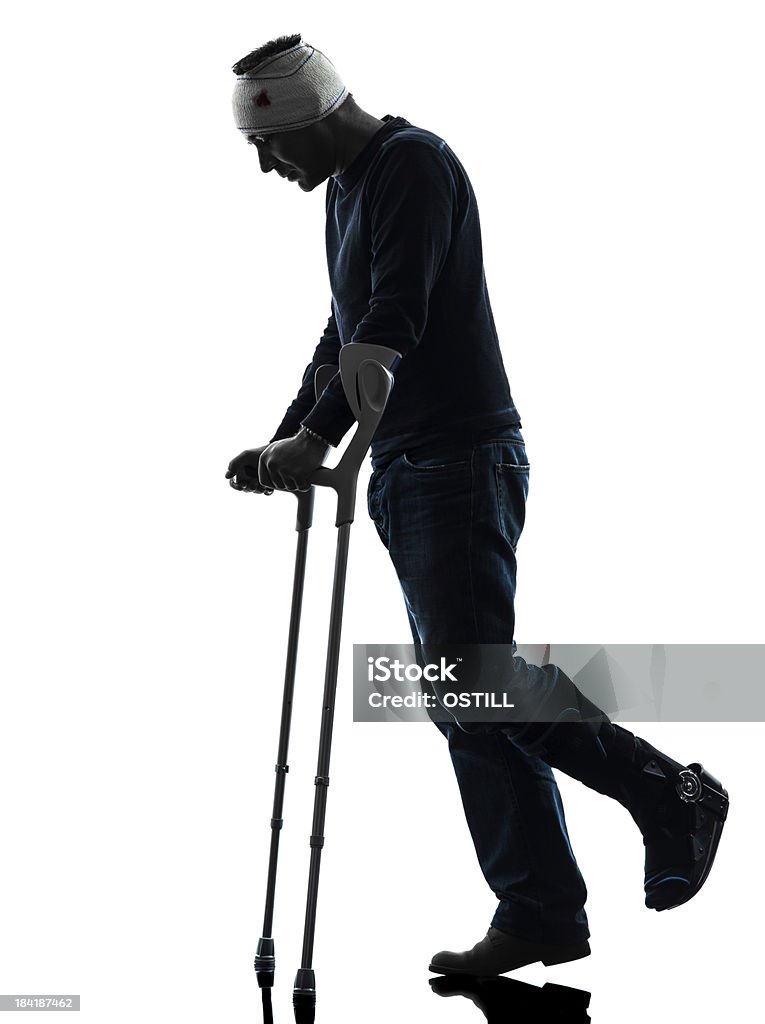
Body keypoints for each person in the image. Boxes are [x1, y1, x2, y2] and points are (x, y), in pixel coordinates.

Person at [225, 34, 729, 975]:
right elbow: (343, 325)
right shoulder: (345, 188)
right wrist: (294, 434)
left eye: (270, 143)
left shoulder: (411, 164)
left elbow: (392, 317)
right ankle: (539, 913)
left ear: (313, 117)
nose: (265, 164)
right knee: (466, 700)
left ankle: (668, 795)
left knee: (469, 679)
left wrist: (314, 435)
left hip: (457, 458)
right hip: (410, 465)